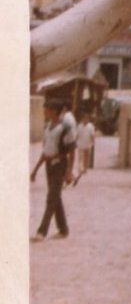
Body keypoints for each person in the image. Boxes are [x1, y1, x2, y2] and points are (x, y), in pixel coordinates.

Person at [31, 101, 70, 240]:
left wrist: (69, 172)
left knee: (51, 198)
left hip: (59, 165)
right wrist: (36, 169)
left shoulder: (63, 129)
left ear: (54, 111)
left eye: (47, 110)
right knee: (55, 197)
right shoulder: (48, 128)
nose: (45, 112)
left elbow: (67, 151)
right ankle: (63, 229)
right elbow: (45, 150)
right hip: (49, 166)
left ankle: (42, 231)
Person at [73, 114, 96, 182]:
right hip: (80, 144)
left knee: (86, 157)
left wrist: (93, 142)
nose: (85, 120)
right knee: (80, 157)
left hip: (87, 144)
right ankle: (80, 168)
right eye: (84, 118)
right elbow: (77, 135)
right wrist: (75, 142)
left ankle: (85, 168)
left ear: (88, 119)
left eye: (87, 119)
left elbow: (92, 135)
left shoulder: (91, 126)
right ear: (82, 119)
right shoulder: (79, 126)